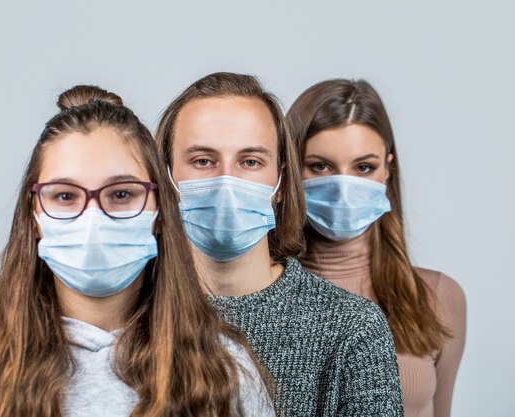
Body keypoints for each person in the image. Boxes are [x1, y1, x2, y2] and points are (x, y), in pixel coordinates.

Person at [0, 85, 274, 417]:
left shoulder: (227, 369)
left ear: (160, 212)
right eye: (64, 195)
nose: (92, 217)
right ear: (34, 218)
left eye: (121, 194)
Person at [157, 72, 403, 417]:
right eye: (202, 161)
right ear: (165, 178)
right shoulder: (130, 315)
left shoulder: (352, 328)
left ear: (282, 183)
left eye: (251, 162)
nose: (227, 180)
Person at [286, 79, 466, 417]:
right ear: (290, 170)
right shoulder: (255, 295)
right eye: (319, 166)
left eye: (363, 167)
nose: (343, 187)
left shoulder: (437, 297)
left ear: (387, 170)